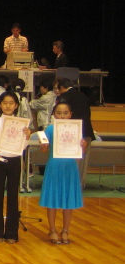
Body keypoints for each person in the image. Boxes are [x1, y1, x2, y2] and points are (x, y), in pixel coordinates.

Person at [0, 90, 31, 243]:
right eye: (5, 103)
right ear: (0, 105)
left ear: (16, 105)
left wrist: (27, 136)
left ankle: (11, 233)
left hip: (15, 161)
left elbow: (23, 146)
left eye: (11, 103)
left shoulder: (21, 124)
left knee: (13, 196)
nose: (8, 106)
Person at [39, 101, 86, 245]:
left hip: (70, 167)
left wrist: (83, 146)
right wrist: (44, 145)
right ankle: (52, 229)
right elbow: (44, 150)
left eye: (65, 113)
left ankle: (65, 230)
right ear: (54, 114)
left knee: (68, 199)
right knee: (52, 199)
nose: (62, 116)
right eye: (59, 113)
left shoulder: (76, 128)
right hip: (54, 166)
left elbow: (80, 152)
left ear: (70, 114)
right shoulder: (50, 129)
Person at [55, 78, 94, 186]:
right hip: (86, 131)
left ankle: (67, 187)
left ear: (62, 87)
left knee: (68, 162)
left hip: (69, 133)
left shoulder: (63, 97)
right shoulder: (84, 95)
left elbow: (59, 115)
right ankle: (79, 187)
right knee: (82, 163)